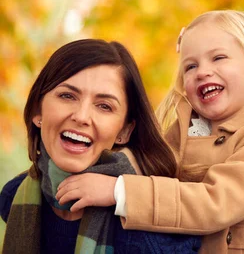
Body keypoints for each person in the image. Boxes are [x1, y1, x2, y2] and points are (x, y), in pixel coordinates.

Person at [53, 10, 244, 253]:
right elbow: (147, 163)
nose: (203, 71)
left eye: (218, 58)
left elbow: (213, 204)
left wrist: (118, 191)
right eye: (190, 66)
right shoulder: (187, 131)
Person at [0, 39, 201, 254]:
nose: (81, 116)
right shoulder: (13, 197)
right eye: (67, 96)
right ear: (37, 112)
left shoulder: (149, 232)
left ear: (124, 131)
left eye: (104, 106)